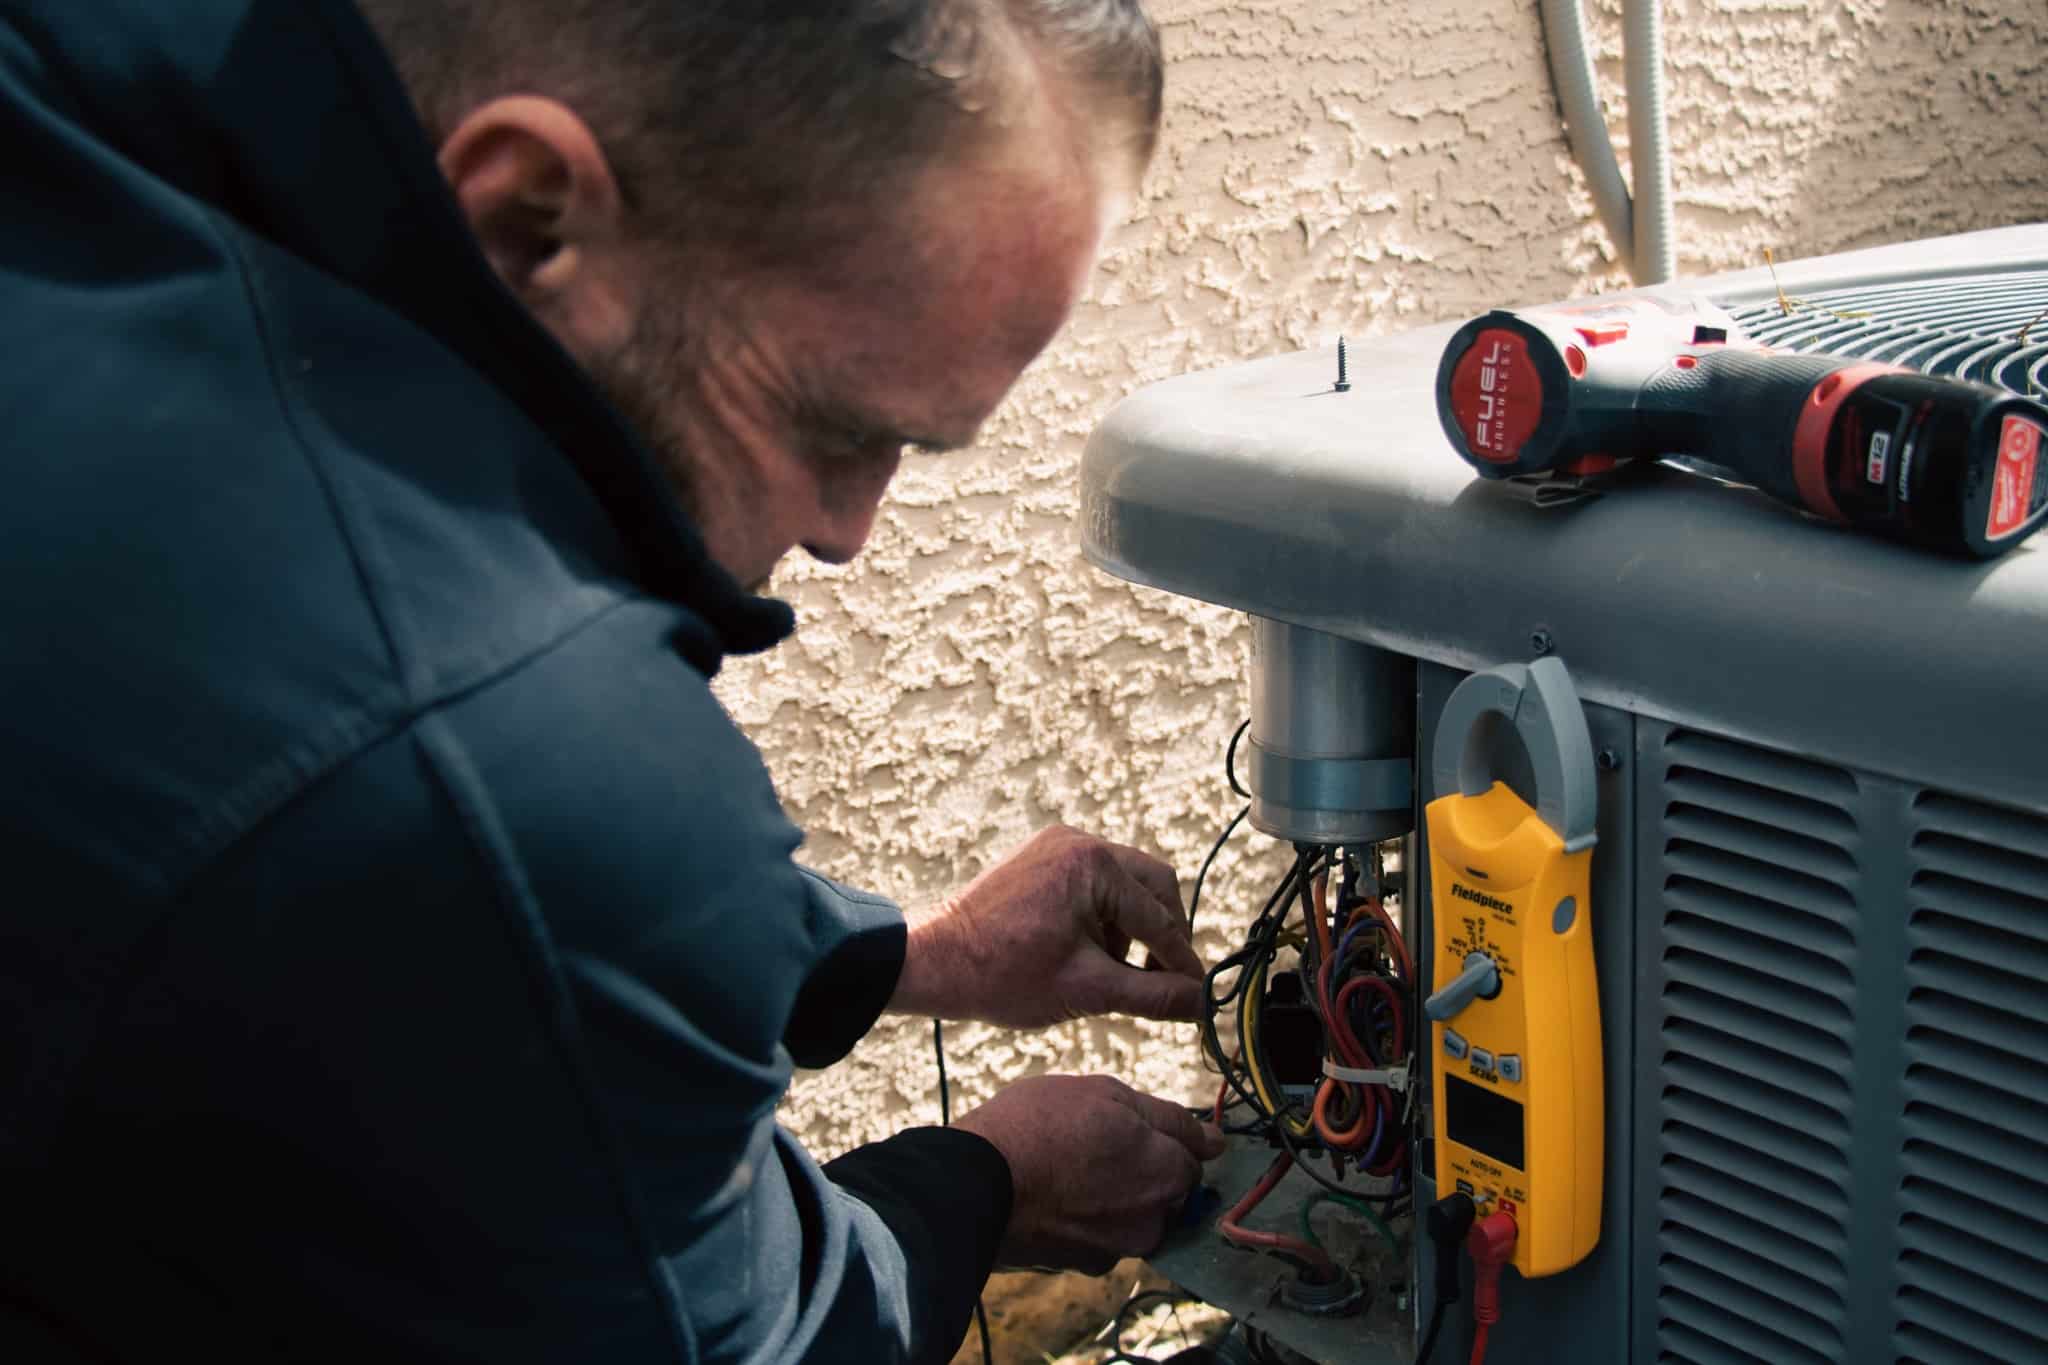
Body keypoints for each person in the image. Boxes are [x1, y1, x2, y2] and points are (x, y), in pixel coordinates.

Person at [0, 1, 1224, 1362]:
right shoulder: (510, 746)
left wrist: (905, 957)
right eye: (846, 429)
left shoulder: (107, 97)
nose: (848, 528)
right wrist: (991, 1179)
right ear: (532, 219)